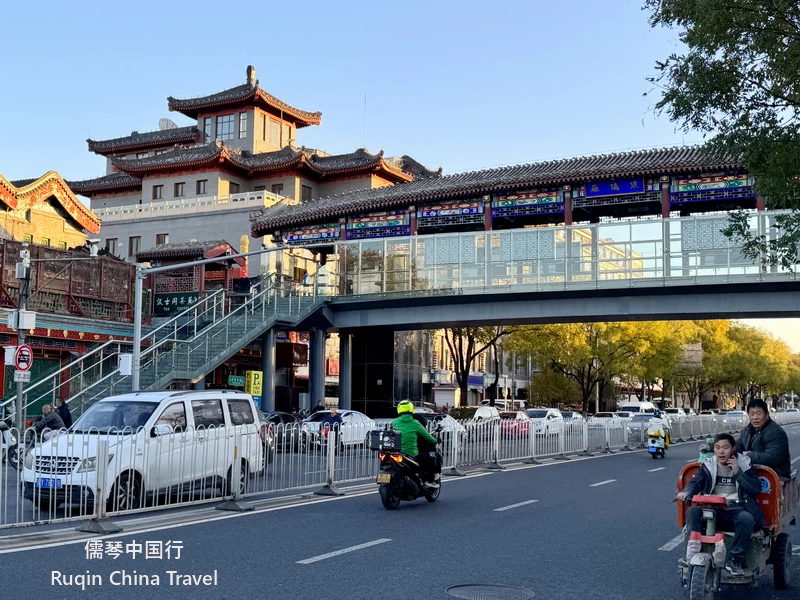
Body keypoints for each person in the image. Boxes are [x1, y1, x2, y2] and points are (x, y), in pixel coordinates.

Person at [675, 433, 764, 576]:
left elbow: (755, 489)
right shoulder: (709, 464)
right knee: (693, 513)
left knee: (747, 519)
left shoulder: (745, 463)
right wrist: (686, 492)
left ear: (733, 449)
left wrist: (738, 473)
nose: (721, 452)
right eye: (717, 448)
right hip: (713, 508)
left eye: (725, 448)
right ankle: (692, 555)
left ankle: (735, 560)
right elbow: (696, 482)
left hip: (736, 509)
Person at [735, 398, 791, 479]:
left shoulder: (775, 432)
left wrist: (748, 455)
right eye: (752, 414)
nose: (755, 417)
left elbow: (772, 457)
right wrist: (726, 448)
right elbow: (738, 445)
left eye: (759, 413)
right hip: (754, 474)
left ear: (767, 415)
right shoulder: (747, 431)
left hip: (775, 477)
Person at [392, 400, 439, 488]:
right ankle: (429, 481)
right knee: (429, 458)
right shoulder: (415, 423)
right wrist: (436, 441)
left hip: (396, 452)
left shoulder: (394, 422)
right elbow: (428, 437)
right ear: (411, 409)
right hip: (411, 453)